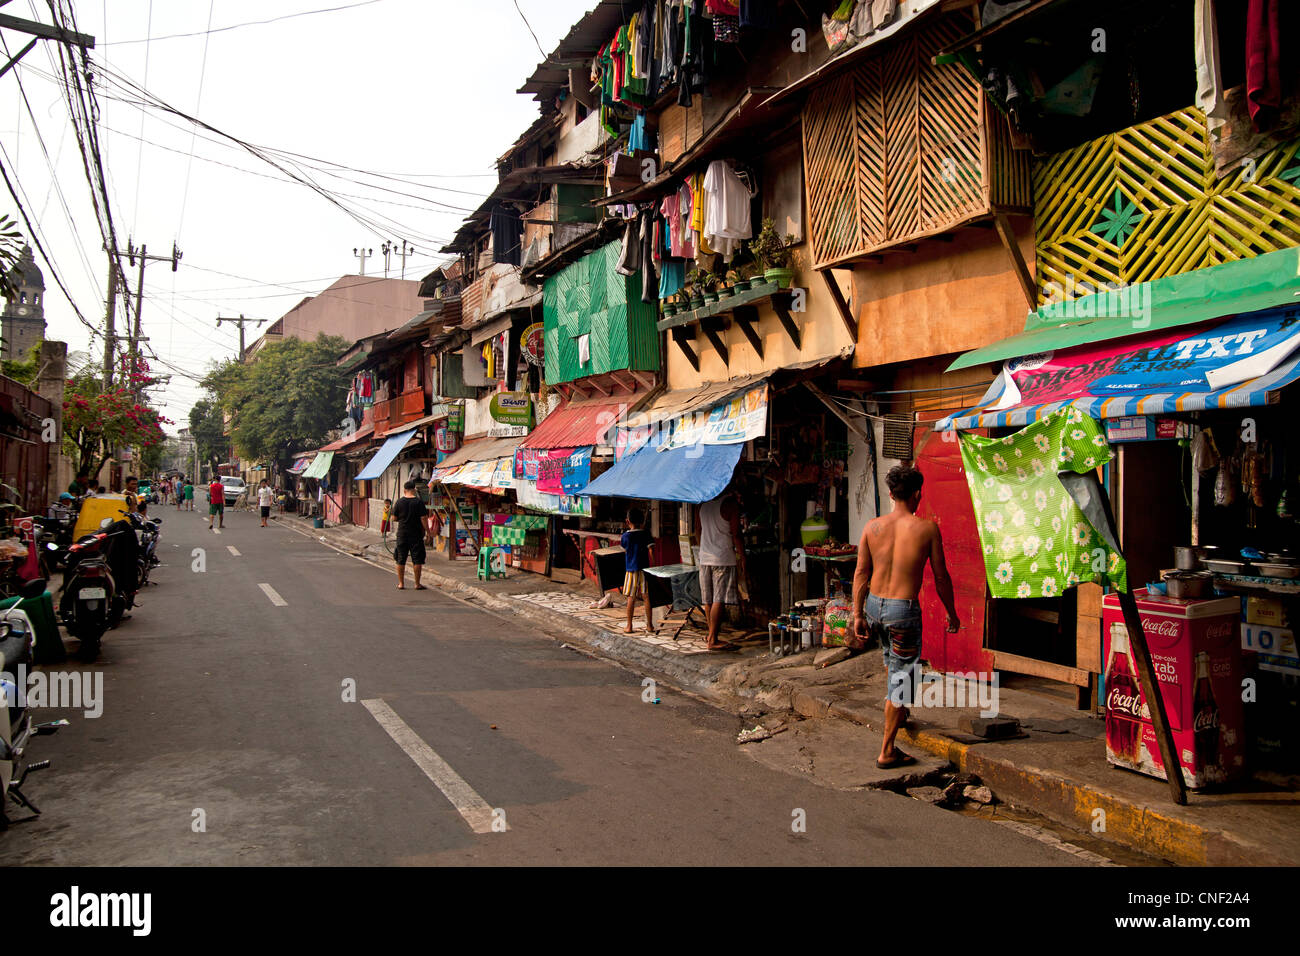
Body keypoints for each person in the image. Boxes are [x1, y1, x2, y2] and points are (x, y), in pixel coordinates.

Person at [851, 464, 960, 770]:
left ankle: (899, 712)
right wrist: (952, 613)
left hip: (874, 606)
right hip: (902, 611)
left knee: (894, 664)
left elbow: (861, 573)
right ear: (917, 495)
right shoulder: (927, 528)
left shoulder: (872, 527)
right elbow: (941, 578)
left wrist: (857, 614)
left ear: (890, 494)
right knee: (901, 681)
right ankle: (887, 750)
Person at [693, 487, 746, 651]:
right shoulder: (730, 504)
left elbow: (698, 531)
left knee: (708, 599)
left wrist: (705, 549)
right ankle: (713, 640)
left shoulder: (702, 504)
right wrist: (742, 555)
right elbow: (736, 534)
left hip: (705, 557)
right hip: (722, 557)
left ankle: (710, 635)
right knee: (718, 599)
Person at [391, 479, 431, 590]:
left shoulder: (399, 502)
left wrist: (401, 518)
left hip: (402, 534)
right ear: (414, 489)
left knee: (400, 558)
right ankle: (417, 584)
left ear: (404, 490)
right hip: (416, 535)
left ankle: (401, 583)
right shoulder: (419, 502)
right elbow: (423, 518)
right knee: (417, 559)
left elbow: (394, 518)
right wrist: (428, 531)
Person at [621, 506, 655, 634]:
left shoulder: (625, 537)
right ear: (642, 521)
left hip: (631, 570)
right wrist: (654, 565)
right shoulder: (646, 534)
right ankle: (650, 625)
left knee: (631, 597)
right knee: (646, 597)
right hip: (645, 569)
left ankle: (629, 626)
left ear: (627, 521)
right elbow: (651, 550)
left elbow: (625, 550)